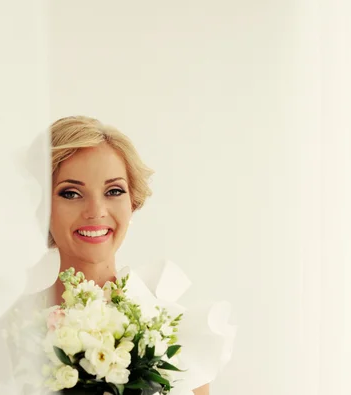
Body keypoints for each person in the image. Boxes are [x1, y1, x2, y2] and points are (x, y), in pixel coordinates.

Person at [20, 115, 235, 395]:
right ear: (43, 207)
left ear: (132, 202)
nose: (95, 211)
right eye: (71, 193)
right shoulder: (13, 328)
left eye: (113, 191)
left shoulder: (178, 334)